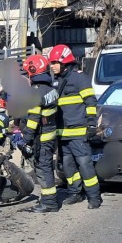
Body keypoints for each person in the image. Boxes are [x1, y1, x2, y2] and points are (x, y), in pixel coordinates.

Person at [49, 44, 102, 209]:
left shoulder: (80, 79)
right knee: (68, 166)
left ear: (64, 62)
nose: (52, 66)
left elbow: (91, 103)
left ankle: (94, 197)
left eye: (55, 63)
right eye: (51, 63)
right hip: (62, 133)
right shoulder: (55, 81)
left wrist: (92, 125)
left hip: (78, 132)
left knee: (85, 165)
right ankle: (75, 193)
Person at [18, 55, 61, 213]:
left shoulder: (35, 92)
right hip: (51, 134)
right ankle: (48, 198)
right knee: (47, 166)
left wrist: (26, 140)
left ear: (32, 71)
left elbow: (33, 119)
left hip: (41, 137)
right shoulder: (52, 89)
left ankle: (50, 202)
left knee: (43, 168)